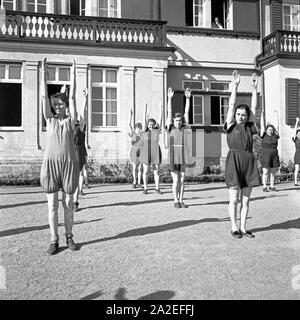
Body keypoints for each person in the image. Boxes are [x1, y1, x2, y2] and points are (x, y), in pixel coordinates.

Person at [40, 57, 80, 255]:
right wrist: (43, 76)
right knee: (52, 205)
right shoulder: (50, 120)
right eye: (56, 104)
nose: (58, 106)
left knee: (68, 203)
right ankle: (54, 239)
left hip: (69, 165)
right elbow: (43, 99)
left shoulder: (71, 121)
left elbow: (72, 99)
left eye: (61, 103)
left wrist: (73, 74)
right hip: (51, 165)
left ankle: (69, 236)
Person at [224, 70, 260, 239]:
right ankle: (234, 227)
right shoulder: (230, 125)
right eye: (238, 114)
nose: (240, 117)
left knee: (245, 200)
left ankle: (244, 228)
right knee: (234, 199)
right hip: (234, 162)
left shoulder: (249, 127)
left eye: (243, 115)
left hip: (248, 162)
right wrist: (235, 86)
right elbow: (231, 105)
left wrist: (254, 88)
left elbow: (254, 108)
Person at [164, 87, 193, 208]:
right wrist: (169, 99)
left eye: (180, 120)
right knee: (176, 180)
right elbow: (169, 112)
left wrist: (188, 99)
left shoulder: (185, 128)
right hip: (172, 155)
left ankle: (181, 200)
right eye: (176, 120)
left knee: (182, 179)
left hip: (183, 154)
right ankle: (175, 200)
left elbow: (186, 113)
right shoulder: (170, 128)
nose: (178, 122)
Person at [139, 103, 163, 194]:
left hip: (156, 152)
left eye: (152, 124)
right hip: (146, 152)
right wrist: (145, 109)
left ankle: (157, 188)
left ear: (154, 124)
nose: (151, 126)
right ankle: (145, 188)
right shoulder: (145, 130)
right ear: (147, 125)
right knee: (145, 171)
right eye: (149, 124)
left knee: (156, 171)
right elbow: (144, 119)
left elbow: (160, 119)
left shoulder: (157, 130)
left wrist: (160, 109)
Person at [73, 89, 88, 212]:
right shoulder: (67, 125)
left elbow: (83, 112)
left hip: (78, 152)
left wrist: (85, 99)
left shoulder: (80, 127)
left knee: (78, 176)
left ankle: (75, 202)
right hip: (67, 152)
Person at [260, 109, 280, 192]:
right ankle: (264, 187)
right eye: (269, 129)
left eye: (272, 130)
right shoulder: (263, 135)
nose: (271, 131)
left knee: (272, 172)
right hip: (265, 155)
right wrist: (262, 115)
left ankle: (272, 186)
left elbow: (277, 126)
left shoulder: (275, 136)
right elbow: (262, 125)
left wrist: (276, 116)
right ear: (266, 130)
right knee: (265, 172)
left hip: (274, 155)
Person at [128, 108, 143, 188]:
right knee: (134, 167)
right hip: (134, 150)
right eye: (137, 127)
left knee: (140, 168)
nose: (138, 128)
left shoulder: (142, 134)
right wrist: (130, 115)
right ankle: (134, 181)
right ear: (135, 128)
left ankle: (140, 182)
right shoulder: (133, 133)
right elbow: (129, 124)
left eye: (139, 127)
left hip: (141, 151)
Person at [292, 117, 300, 186]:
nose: (299, 134)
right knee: (297, 169)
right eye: (298, 133)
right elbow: (294, 130)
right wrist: (297, 122)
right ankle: (295, 182)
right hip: (297, 154)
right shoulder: (295, 139)